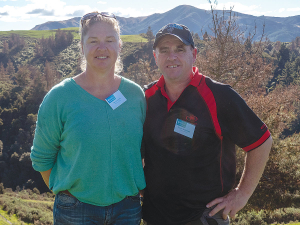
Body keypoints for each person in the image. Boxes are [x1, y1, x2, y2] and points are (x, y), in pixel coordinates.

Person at [142, 23, 273, 225]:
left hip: (205, 218)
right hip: (155, 217)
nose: (172, 57)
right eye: (164, 50)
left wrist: (242, 193)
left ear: (193, 54)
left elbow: (261, 142)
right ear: (155, 56)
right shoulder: (145, 98)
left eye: (180, 49)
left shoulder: (219, 95)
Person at [30, 12, 146, 225]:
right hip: (75, 211)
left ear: (120, 46)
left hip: (127, 209)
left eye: (109, 40)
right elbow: (42, 158)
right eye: (93, 41)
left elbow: (143, 151)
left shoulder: (135, 95)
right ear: (82, 47)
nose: (102, 48)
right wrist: (68, 194)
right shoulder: (59, 97)